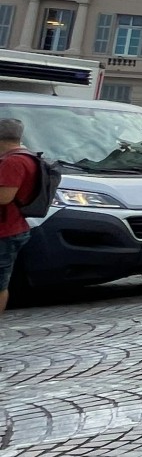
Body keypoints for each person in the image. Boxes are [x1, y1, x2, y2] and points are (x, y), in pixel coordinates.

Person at [0, 118, 44, 314]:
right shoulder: (27, 157)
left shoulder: (13, 161)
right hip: (15, 226)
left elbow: (4, 197)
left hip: (5, 230)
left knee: (0, 283)